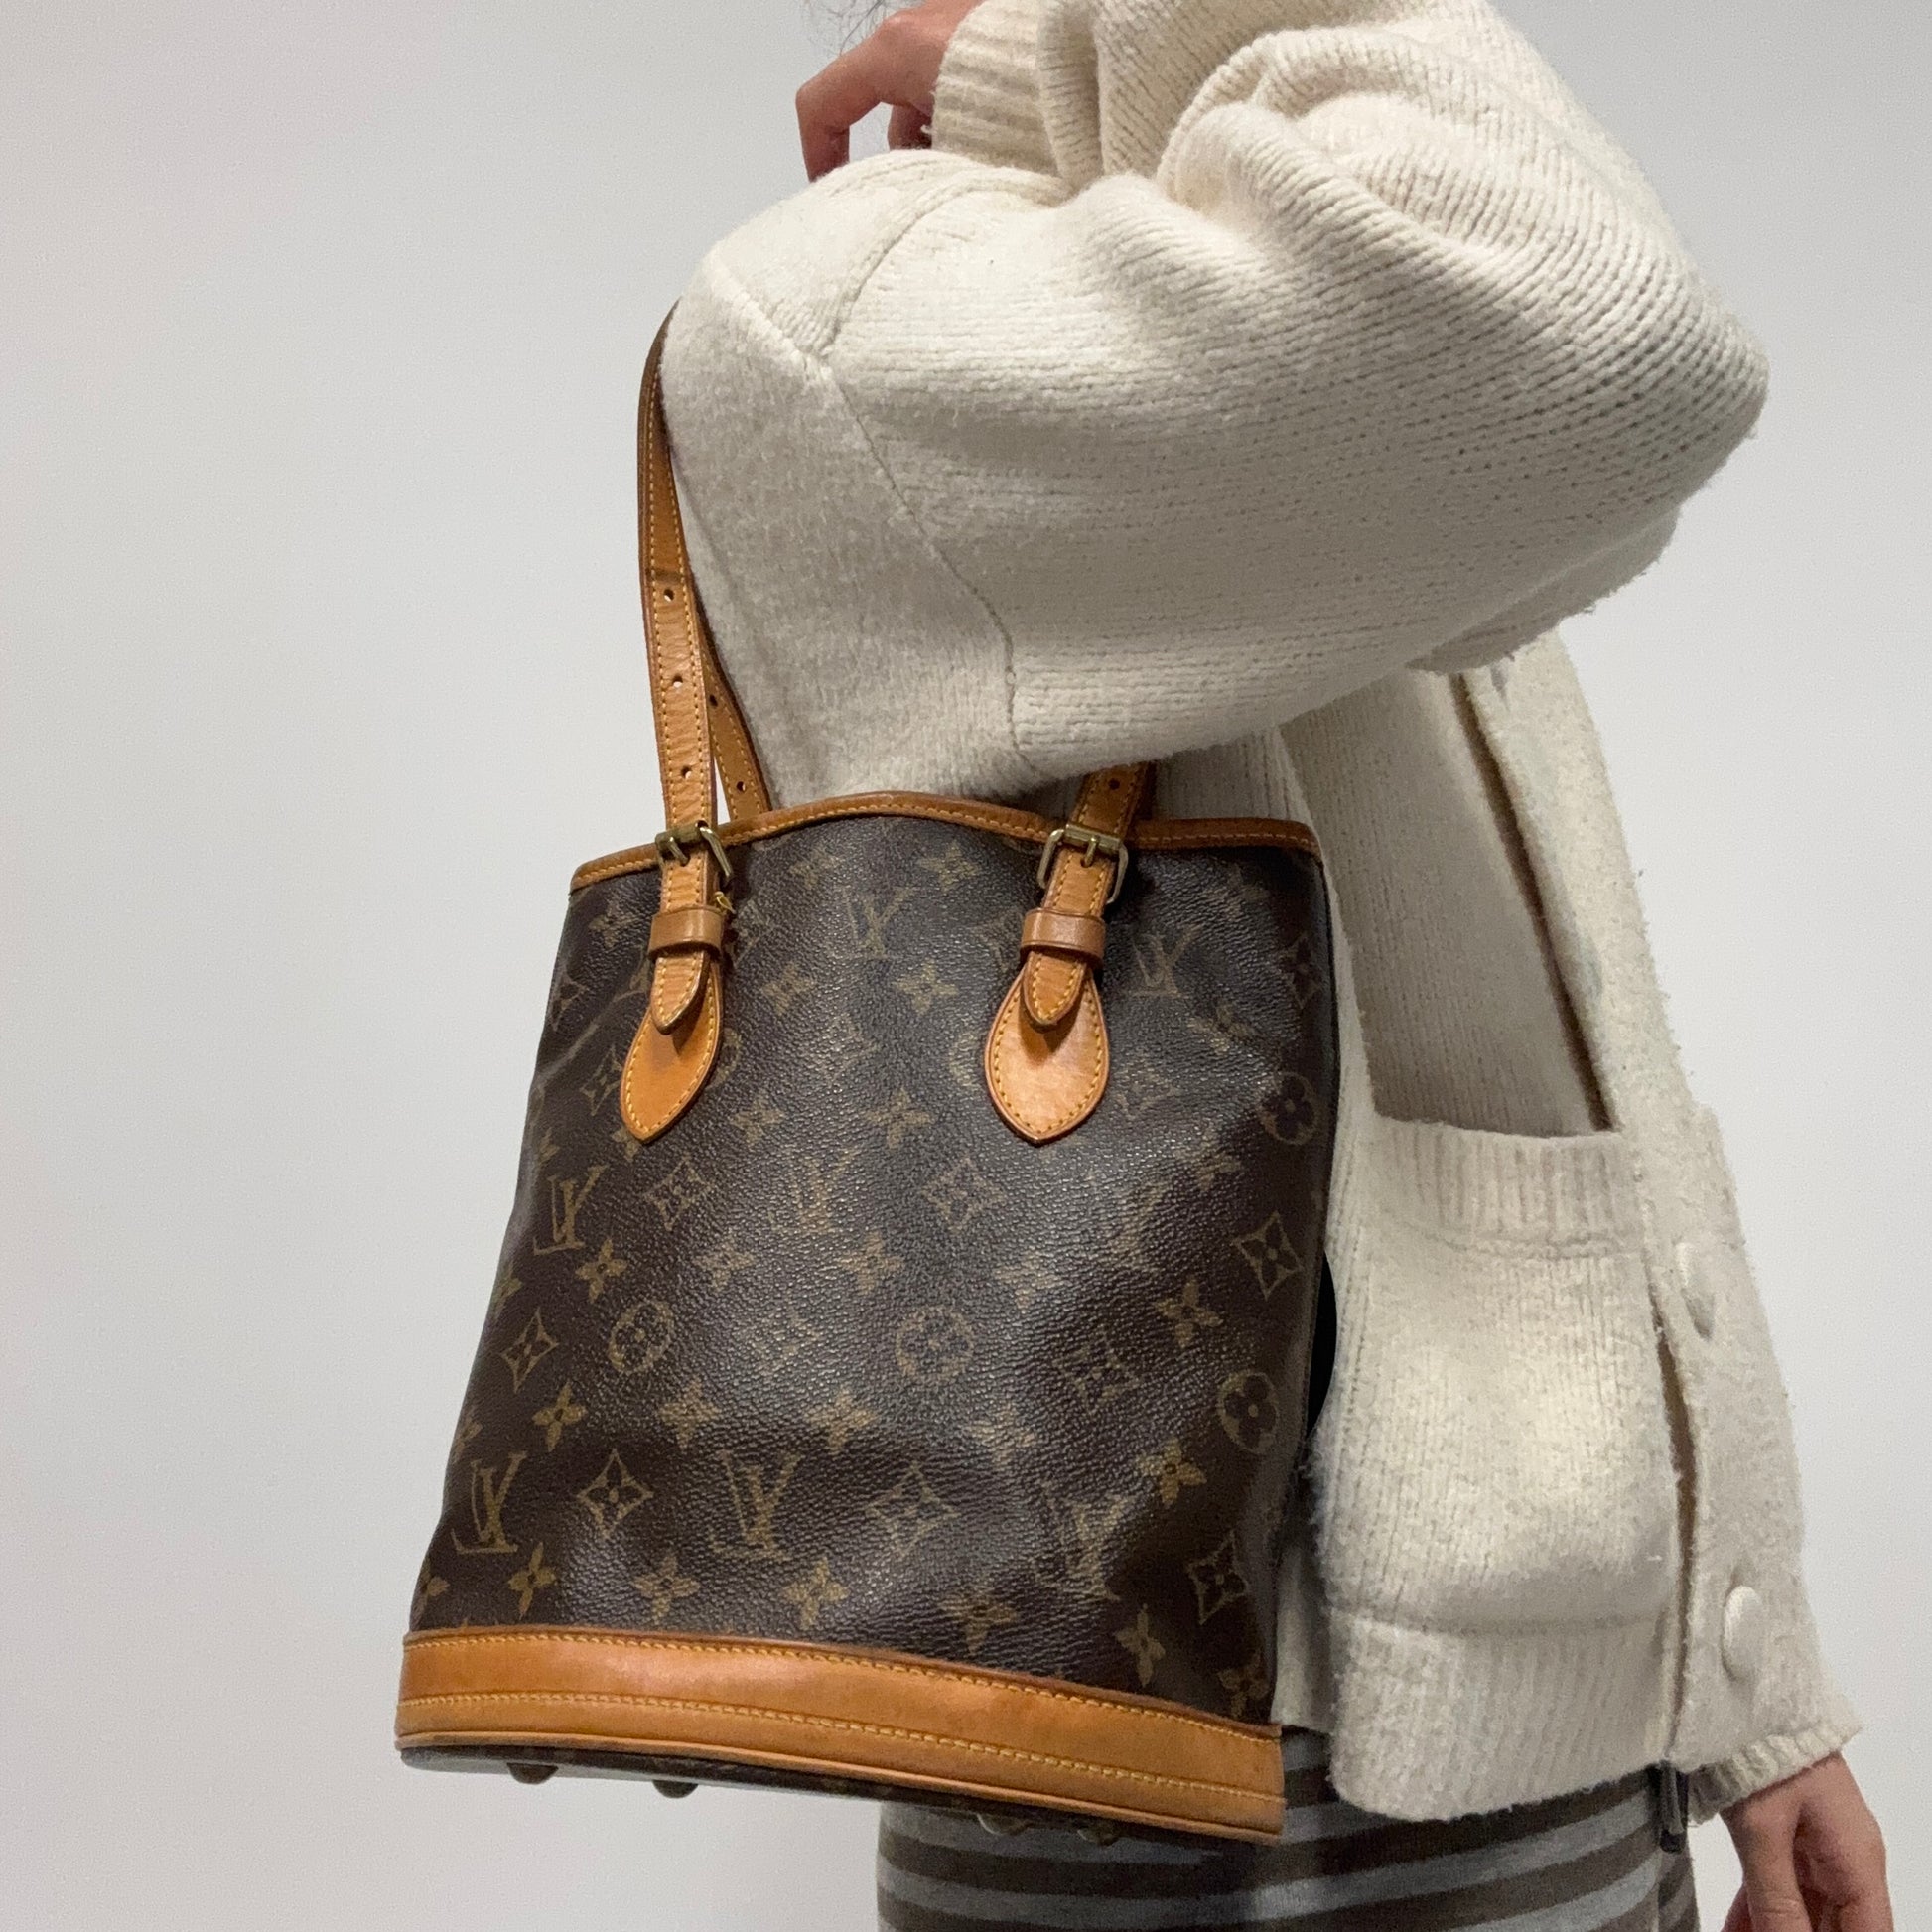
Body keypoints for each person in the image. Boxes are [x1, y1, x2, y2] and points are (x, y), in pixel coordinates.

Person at [655, 2, 1894, 1925]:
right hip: (1182, 1762)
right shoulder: (870, 322)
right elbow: (1606, 326)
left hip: (1550, 1713)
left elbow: (1561, 1010)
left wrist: (1754, 1684)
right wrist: (1068, 62)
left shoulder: (1266, 306)